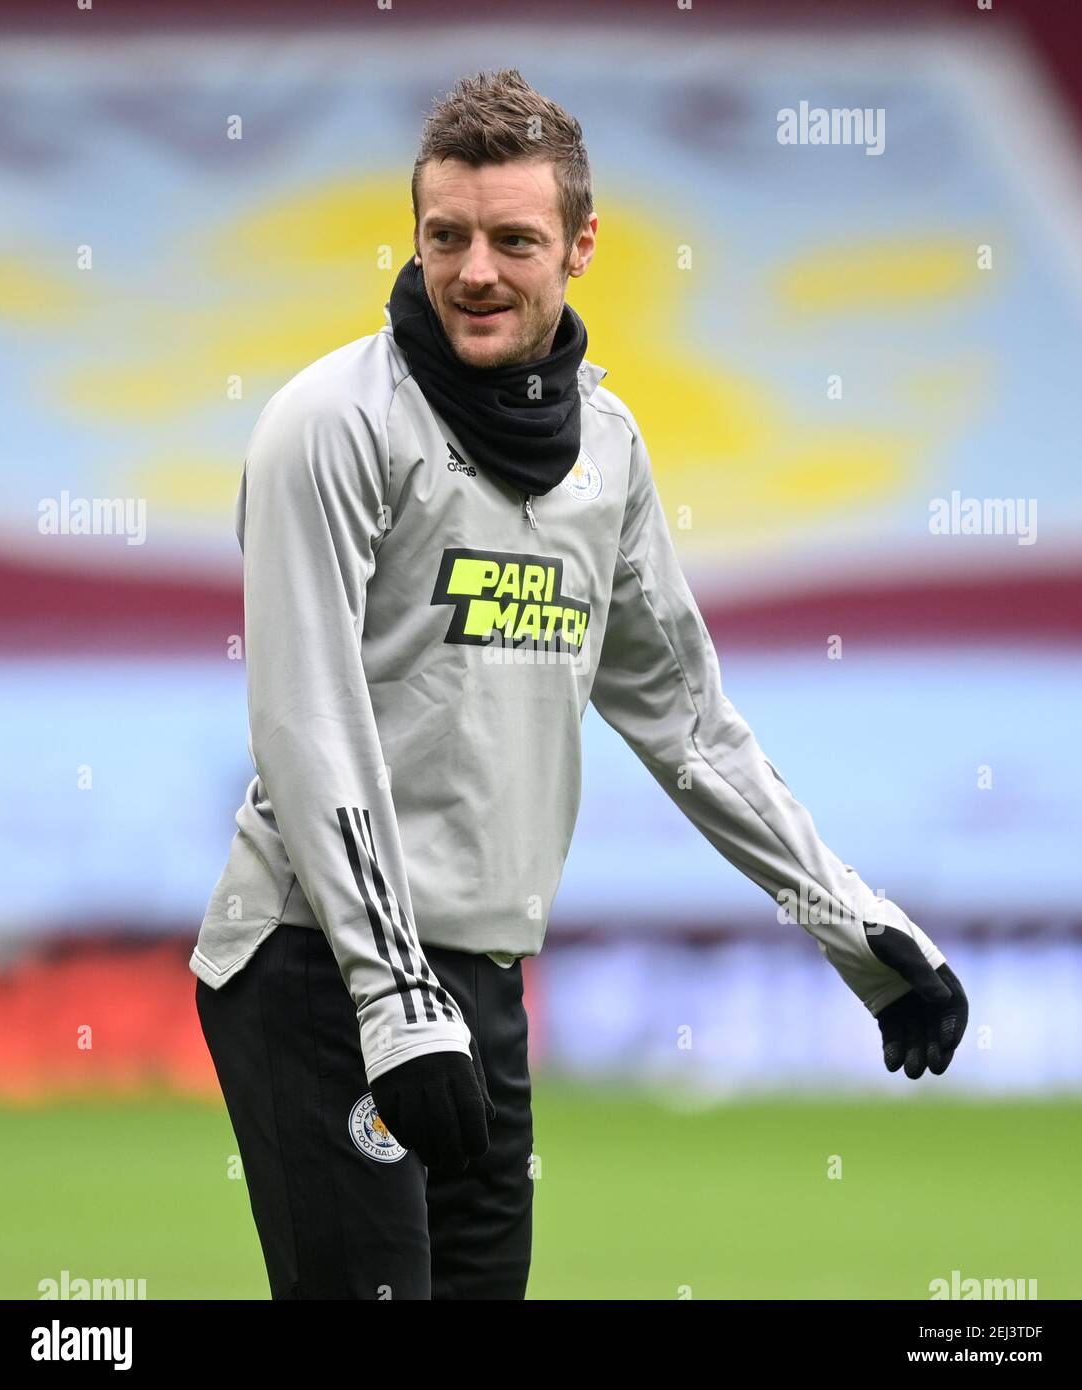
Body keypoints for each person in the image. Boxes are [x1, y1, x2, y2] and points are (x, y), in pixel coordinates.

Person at [191, 68, 968, 1302]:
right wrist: (394, 995)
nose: (475, 271)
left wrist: (848, 921)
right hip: (317, 967)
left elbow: (685, 719)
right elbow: (307, 721)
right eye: (445, 236)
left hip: (483, 979)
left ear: (582, 245)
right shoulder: (327, 426)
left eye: (514, 239)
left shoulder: (607, 449)